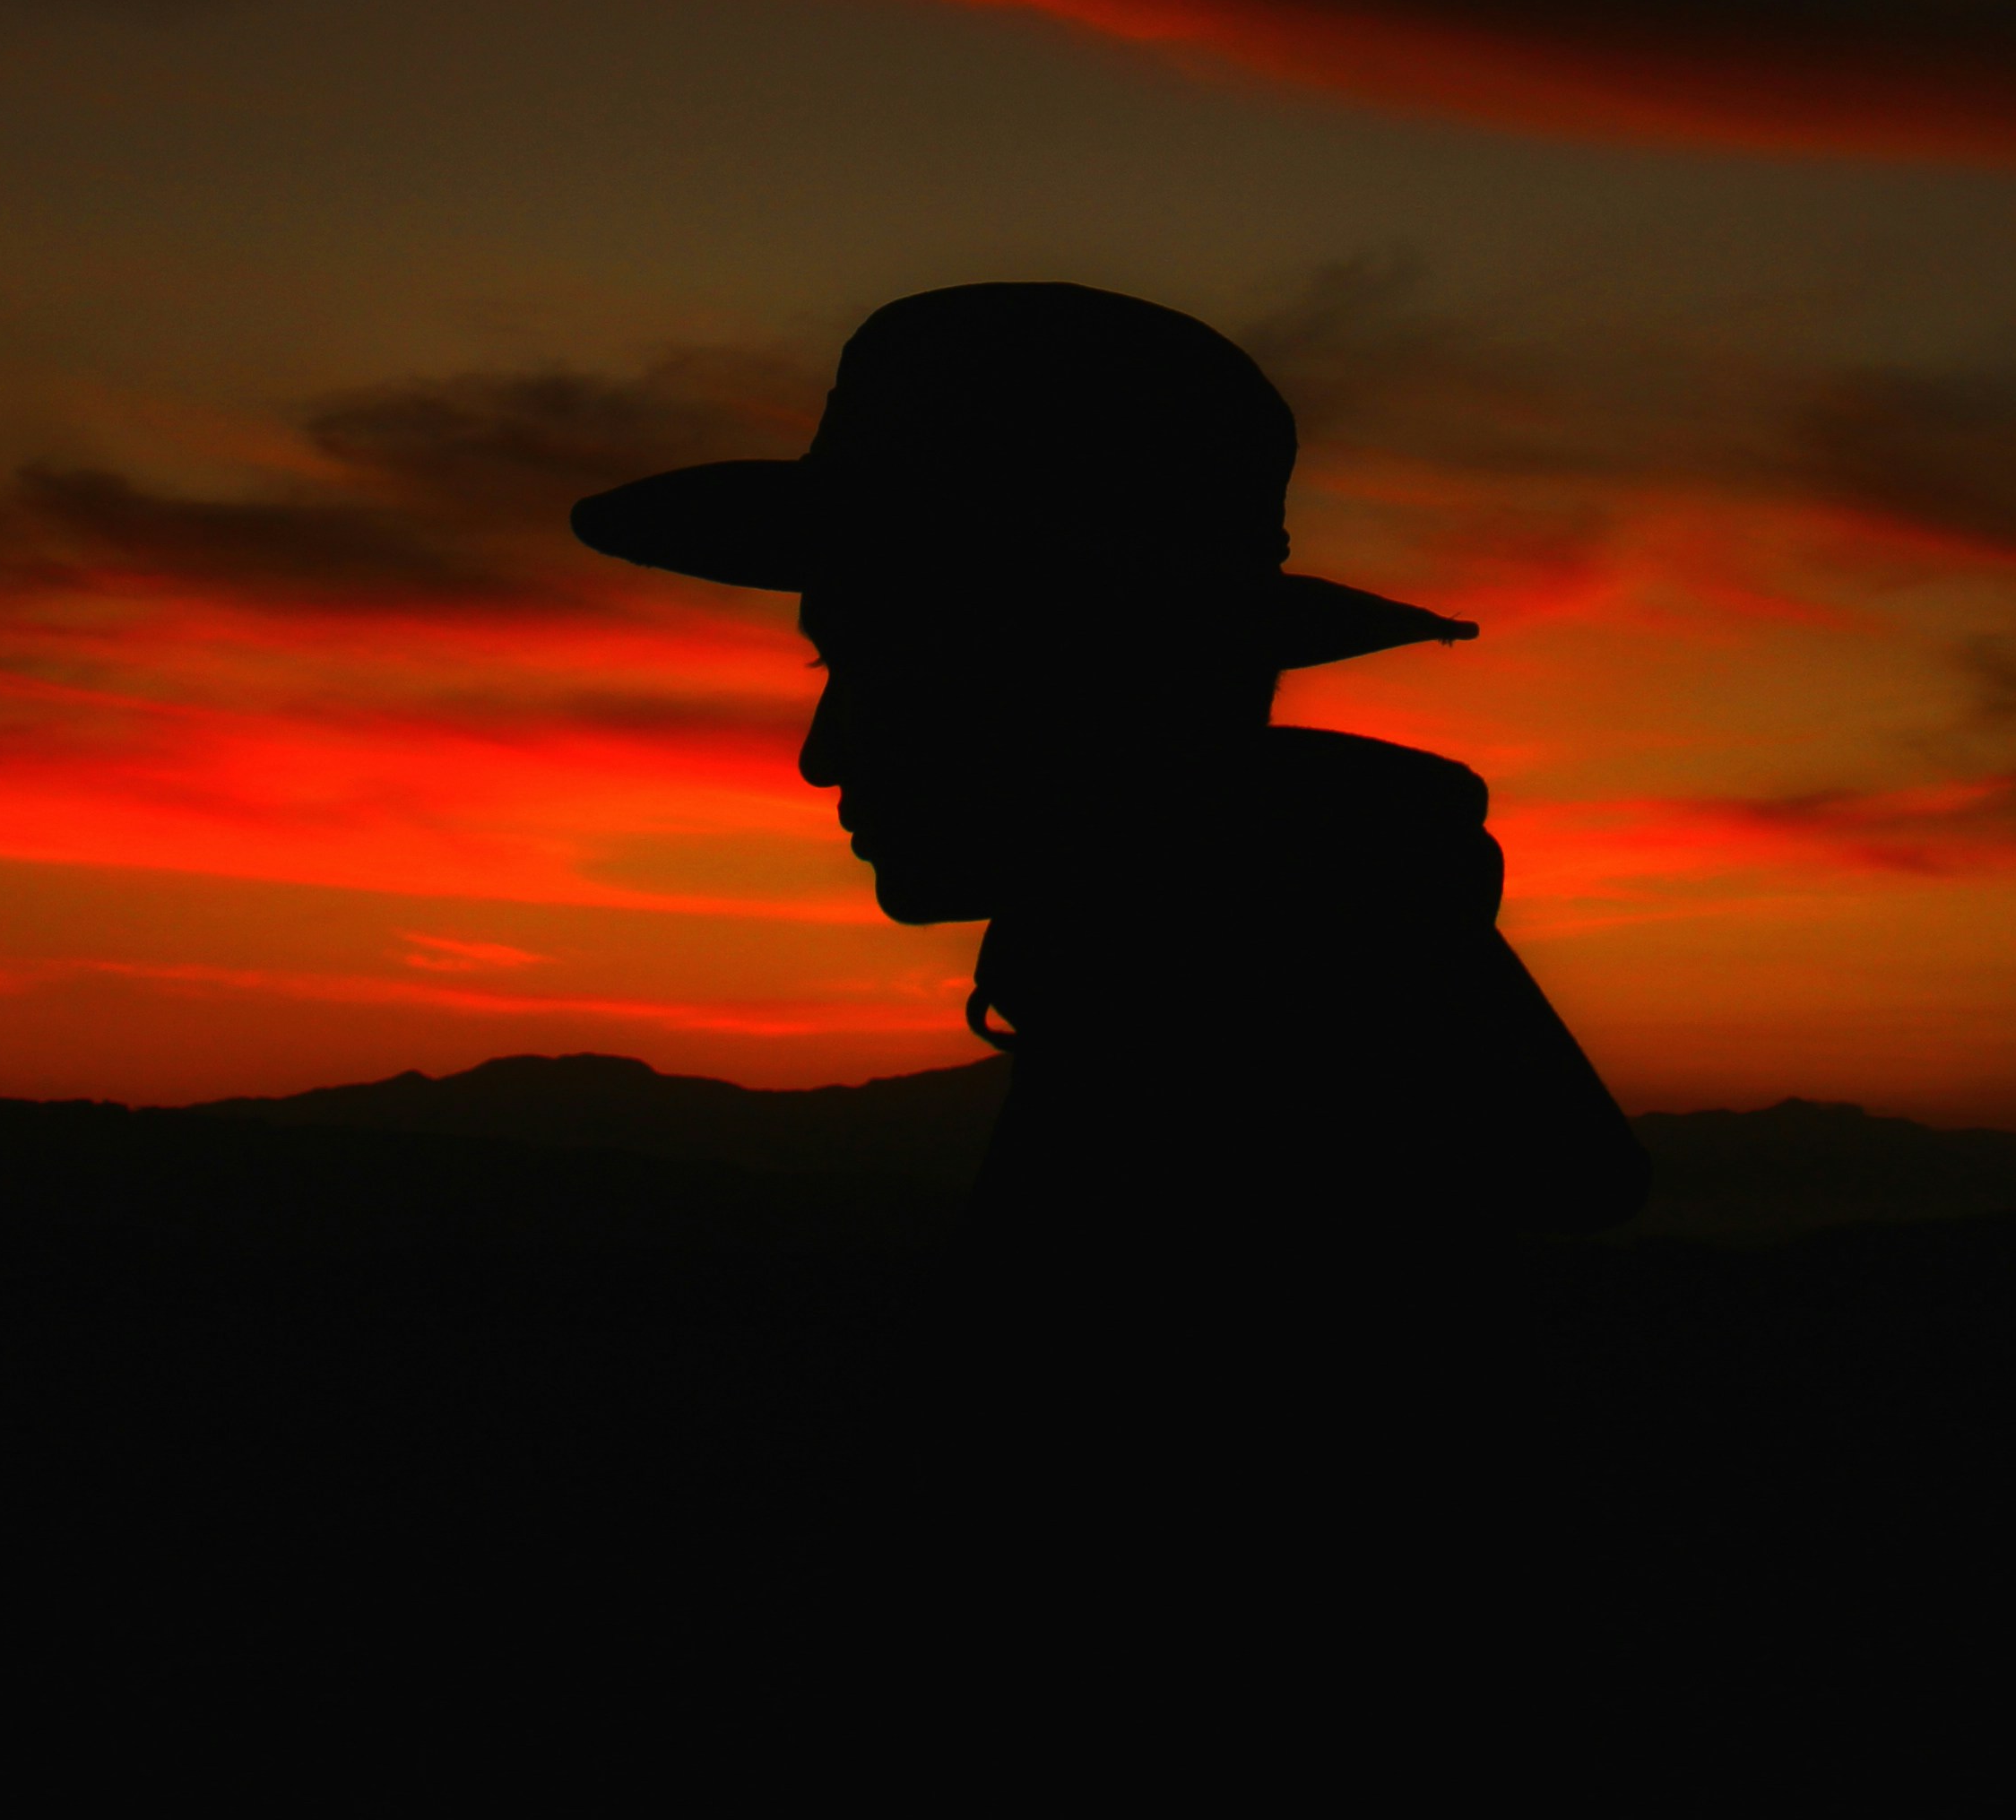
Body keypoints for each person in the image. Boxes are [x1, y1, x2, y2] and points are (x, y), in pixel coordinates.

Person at [573, 282, 1648, 1241]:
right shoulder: (1247, 1003)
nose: (822, 758)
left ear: (1097, 669)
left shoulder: (1216, 1090)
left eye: (881, 666)